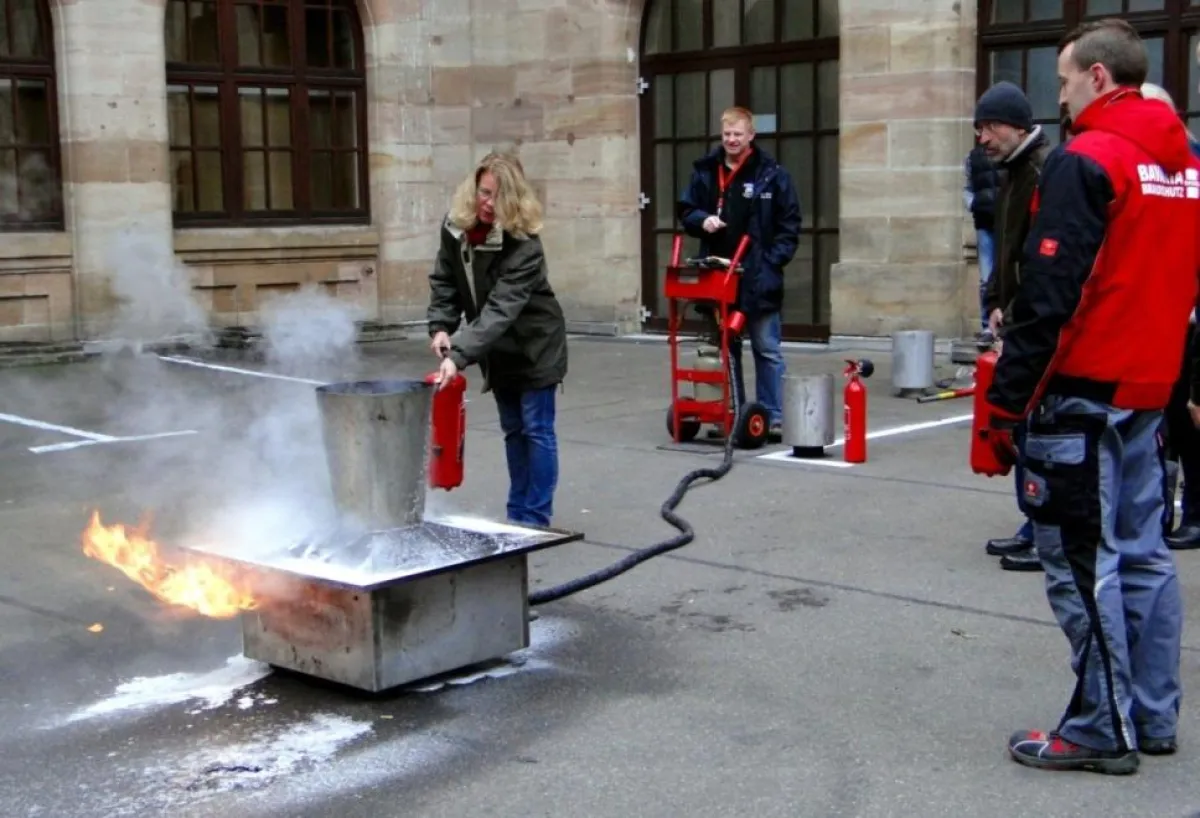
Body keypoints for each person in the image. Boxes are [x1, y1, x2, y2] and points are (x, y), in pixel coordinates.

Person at [981, 18, 1200, 773]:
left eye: (1066, 80)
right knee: (1143, 555)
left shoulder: (1087, 162)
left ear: (1100, 78)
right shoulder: (1184, 163)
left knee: (1081, 561)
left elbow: (1050, 298)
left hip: (1085, 390)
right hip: (1150, 386)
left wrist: (1005, 406)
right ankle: (1152, 713)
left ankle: (1104, 725)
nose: (1060, 97)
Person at [426, 152, 569, 528]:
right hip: (495, 346)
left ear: (515, 200)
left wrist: (457, 355)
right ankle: (516, 512)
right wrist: (441, 326)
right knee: (513, 430)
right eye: (484, 192)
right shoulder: (455, 226)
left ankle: (534, 517)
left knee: (536, 430)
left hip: (535, 344)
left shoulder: (524, 245)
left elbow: (499, 311)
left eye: (499, 197)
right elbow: (445, 280)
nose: (489, 204)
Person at [677, 106, 802, 439]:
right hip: (719, 275)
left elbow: (790, 225)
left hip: (758, 275)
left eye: (738, 134)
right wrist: (701, 220)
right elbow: (686, 210)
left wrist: (773, 261)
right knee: (725, 349)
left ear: (751, 136)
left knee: (766, 347)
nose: (732, 140)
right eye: (727, 134)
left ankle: (772, 416)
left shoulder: (773, 174)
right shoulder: (705, 171)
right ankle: (729, 413)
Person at [972, 81, 1052, 572]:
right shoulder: (1009, 173)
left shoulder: (1043, 171)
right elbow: (1005, 247)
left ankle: (1045, 531)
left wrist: (1019, 307)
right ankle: (1034, 524)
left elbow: (1042, 257)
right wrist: (997, 300)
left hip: (1036, 327)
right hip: (1017, 319)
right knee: (1025, 428)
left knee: (1038, 430)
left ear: (1015, 125)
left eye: (988, 127)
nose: (982, 138)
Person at [1142, 82, 1200, 549]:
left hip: (1191, 318)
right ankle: (1161, 507)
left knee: (1188, 418)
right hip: (1163, 317)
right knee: (1165, 420)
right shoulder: (1150, 169)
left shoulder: (1190, 170)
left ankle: (1196, 511)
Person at [963, 140, 999, 344]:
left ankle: (1005, 325)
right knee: (986, 278)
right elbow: (968, 187)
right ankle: (987, 326)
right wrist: (974, 204)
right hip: (985, 223)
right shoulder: (972, 158)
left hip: (1010, 223)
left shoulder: (1010, 154)